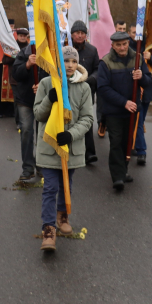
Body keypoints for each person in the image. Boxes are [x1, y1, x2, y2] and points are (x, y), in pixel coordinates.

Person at [34, 46, 93, 251]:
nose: (70, 65)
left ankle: (62, 215)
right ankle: (48, 229)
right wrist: (49, 100)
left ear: (78, 64)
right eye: (66, 61)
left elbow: (87, 119)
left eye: (74, 61)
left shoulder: (84, 88)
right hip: (49, 148)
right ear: (59, 62)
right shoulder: (45, 84)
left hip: (71, 148)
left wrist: (71, 135)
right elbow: (38, 115)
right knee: (50, 187)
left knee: (66, 185)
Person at [97, 31, 151, 191]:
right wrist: (124, 102)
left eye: (125, 44)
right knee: (115, 142)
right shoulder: (105, 62)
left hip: (133, 110)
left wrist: (141, 76)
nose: (122, 47)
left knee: (127, 141)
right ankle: (117, 177)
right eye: (118, 44)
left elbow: (148, 82)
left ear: (129, 43)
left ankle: (123, 170)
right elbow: (103, 88)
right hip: (114, 111)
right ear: (112, 45)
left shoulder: (138, 59)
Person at [12, 37, 48, 181]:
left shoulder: (51, 54)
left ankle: (41, 164)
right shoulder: (23, 53)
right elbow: (16, 74)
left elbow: (56, 75)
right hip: (25, 100)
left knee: (42, 133)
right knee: (26, 131)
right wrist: (27, 64)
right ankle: (27, 168)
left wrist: (43, 86)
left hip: (44, 101)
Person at [70, 20, 99, 164]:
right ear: (72, 35)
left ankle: (90, 153)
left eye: (82, 33)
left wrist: (90, 79)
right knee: (71, 120)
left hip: (87, 91)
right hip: (70, 91)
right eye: (77, 33)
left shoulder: (92, 50)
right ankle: (72, 151)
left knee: (87, 120)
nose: (80, 36)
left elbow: (97, 70)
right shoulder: (66, 49)